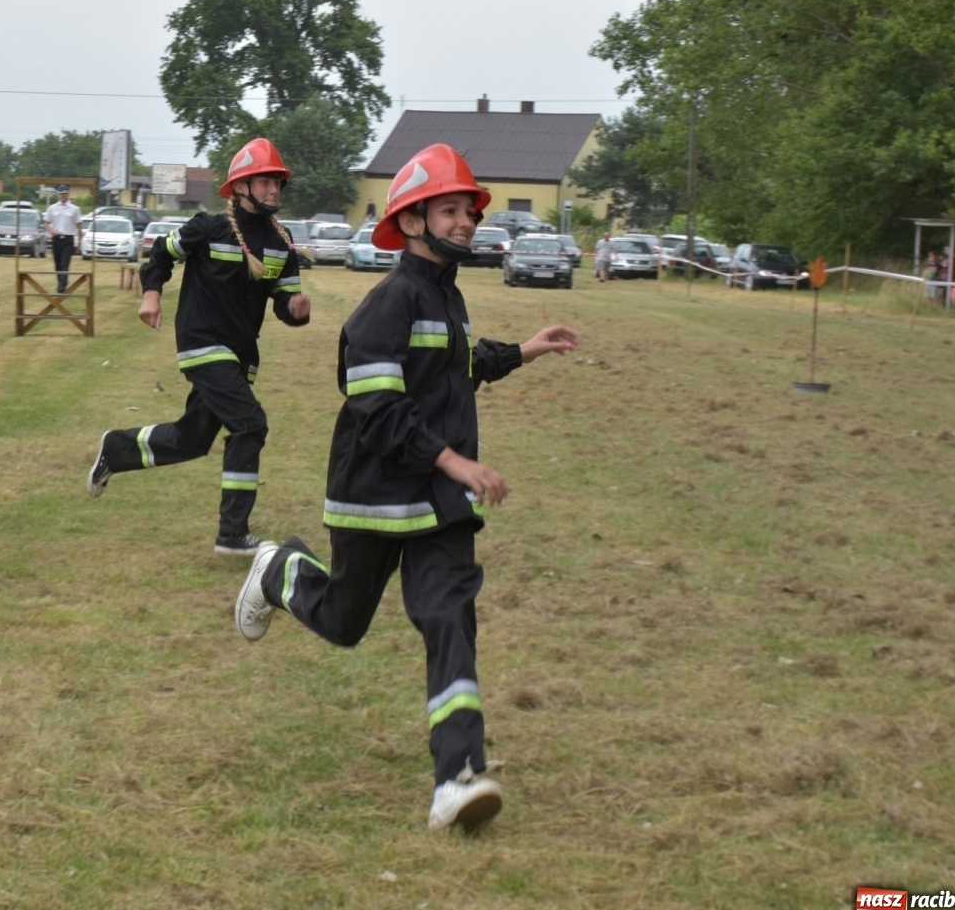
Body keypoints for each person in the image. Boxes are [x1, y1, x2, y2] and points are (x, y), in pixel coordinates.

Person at [231, 144, 578, 831]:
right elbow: (378, 407)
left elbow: (458, 364)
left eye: (469, 212)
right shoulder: (386, 304)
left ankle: (457, 775)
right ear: (413, 221)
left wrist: (525, 351)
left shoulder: (447, 297)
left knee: (449, 618)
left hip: (441, 507)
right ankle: (280, 572)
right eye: (450, 210)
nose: (465, 223)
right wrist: (453, 461)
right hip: (375, 495)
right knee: (342, 622)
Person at [86, 138, 311, 556]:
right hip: (203, 345)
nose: (273, 191)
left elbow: (284, 303)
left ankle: (116, 449)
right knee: (251, 424)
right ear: (240, 187)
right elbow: (160, 253)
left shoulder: (282, 244)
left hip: (242, 354)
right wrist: (151, 293)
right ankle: (232, 534)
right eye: (264, 182)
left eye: (278, 183)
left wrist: (296, 309)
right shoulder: (208, 227)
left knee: (193, 438)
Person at [43, 184, 82, 294]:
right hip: (56, 239)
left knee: (65, 264)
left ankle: (62, 287)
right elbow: (46, 222)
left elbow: (79, 226)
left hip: (68, 239)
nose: (63, 196)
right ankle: (61, 283)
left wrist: (79, 244)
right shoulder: (52, 208)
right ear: (58, 195)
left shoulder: (75, 209)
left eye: (65, 194)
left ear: (68, 194)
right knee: (58, 265)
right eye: (61, 194)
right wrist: (51, 230)